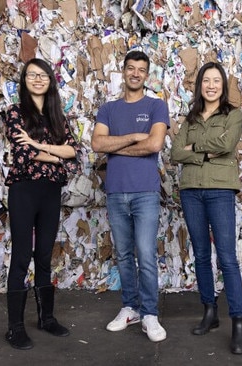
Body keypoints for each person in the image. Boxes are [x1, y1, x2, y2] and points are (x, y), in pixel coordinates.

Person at [91, 50, 170, 342]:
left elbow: (155, 145)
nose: (135, 73)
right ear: (122, 71)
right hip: (115, 193)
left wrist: (117, 147)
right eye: (130, 68)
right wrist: (135, 136)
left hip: (145, 193)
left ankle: (150, 313)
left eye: (141, 70)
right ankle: (130, 307)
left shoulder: (156, 105)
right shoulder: (108, 109)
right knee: (124, 254)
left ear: (146, 75)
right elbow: (97, 143)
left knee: (146, 255)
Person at [171, 62, 242, 354]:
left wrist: (194, 149)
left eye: (217, 81)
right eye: (207, 81)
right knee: (201, 254)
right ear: (200, 85)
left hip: (219, 190)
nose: (212, 86)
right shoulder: (189, 119)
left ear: (223, 85)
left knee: (227, 258)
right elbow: (176, 152)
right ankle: (209, 311)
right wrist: (205, 151)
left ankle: (238, 323)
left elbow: (227, 143)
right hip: (191, 191)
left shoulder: (233, 114)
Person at [3, 58, 80, 350]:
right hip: (24, 190)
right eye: (31, 75)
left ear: (50, 80)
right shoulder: (14, 113)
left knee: (44, 256)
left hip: (50, 192)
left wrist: (39, 146)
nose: (37, 79)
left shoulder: (58, 117)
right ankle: (15, 328)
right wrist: (57, 156)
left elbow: (74, 153)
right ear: (24, 80)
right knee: (22, 257)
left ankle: (46, 318)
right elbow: (20, 155)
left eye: (43, 75)